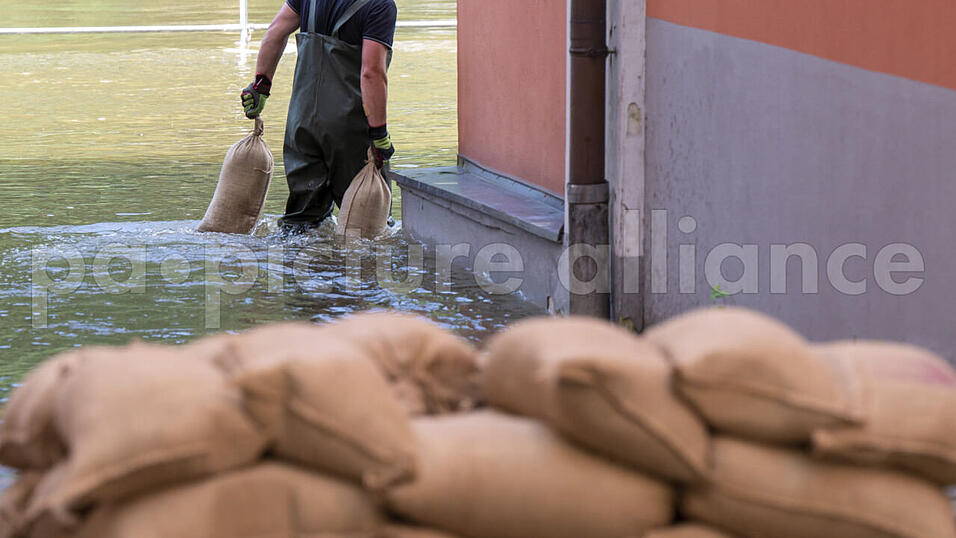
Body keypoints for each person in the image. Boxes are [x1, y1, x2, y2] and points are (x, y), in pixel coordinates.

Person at [241, 0, 397, 231]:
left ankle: (294, 262)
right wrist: (379, 134)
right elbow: (371, 73)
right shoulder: (380, 5)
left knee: (301, 224)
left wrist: (261, 85)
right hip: (349, 130)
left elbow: (275, 32)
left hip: (301, 125)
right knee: (368, 226)